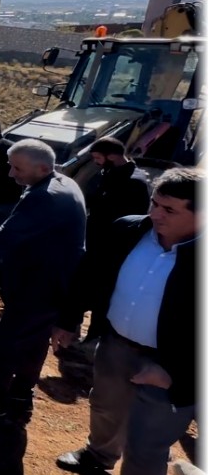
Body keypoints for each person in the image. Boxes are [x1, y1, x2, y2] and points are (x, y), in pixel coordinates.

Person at [52, 168, 200, 475]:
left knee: (146, 445)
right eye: (154, 203)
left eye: (169, 210)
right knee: (105, 408)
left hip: (171, 367)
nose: (155, 214)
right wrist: (69, 319)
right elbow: (89, 273)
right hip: (116, 346)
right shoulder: (128, 230)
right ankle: (99, 456)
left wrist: (174, 372)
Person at [0, 140, 87, 426]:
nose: (10, 174)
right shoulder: (63, 182)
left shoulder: (44, 197)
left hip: (38, 287)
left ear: (42, 167)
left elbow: (3, 238)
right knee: (34, 342)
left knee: (1, 345)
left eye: (17, 168)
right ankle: (20, 395)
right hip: (53, 284)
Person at [72, 137, 152, 343]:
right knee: (81, 287)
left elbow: (131, 222)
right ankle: (73, 327)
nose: (96, 162)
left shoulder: (135, 183)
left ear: (113, 156)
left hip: (110, 250)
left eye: (98, 157)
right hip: (94, 243)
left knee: (103, 294)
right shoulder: (108, 172)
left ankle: (94, 337)